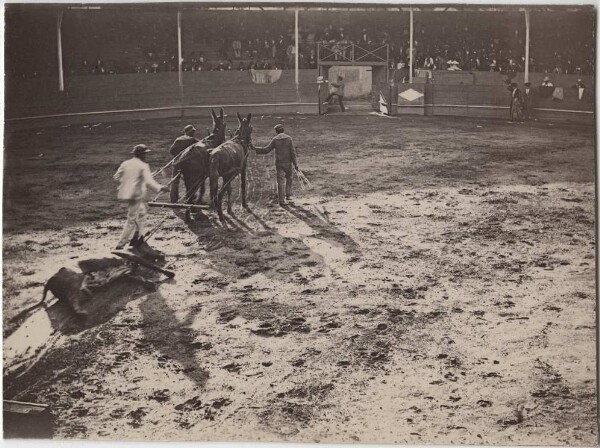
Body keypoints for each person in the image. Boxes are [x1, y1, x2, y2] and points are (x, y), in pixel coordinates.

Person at [114, 145, 168, 250]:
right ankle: (120, 245)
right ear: (141, 154)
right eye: (145, 154)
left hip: (126, 194)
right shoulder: (143, 165)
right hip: (136, 195)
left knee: (142, 213)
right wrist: (161, 187)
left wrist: (130, 179)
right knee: (131, 219)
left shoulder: (126, 163)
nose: (146, 156)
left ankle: (138, 238)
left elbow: (116, 176)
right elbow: (149, 182)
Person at [251, 124, 299, 206]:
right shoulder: (289, 139)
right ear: (283, 130)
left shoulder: (275, 140)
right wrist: (295, 164)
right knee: (289, 178)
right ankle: (288, 195)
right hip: (288, 163)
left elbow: (266, 150)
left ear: (276, 131)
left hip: (279, 163)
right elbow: (293, 152)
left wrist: (254, 148)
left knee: (280, 181)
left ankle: (281, 200)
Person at [168, 125, 199, 202]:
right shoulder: (193, 140)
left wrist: (177, 157)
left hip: (176, 162)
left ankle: (173, 199)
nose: (193, 133)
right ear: (187, 132)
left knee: (174, 181)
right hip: (187, 165)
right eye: (192, 131)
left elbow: (171, 150)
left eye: (193, 131)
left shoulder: (178, 139)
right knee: (189, 181)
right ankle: (190, 198)